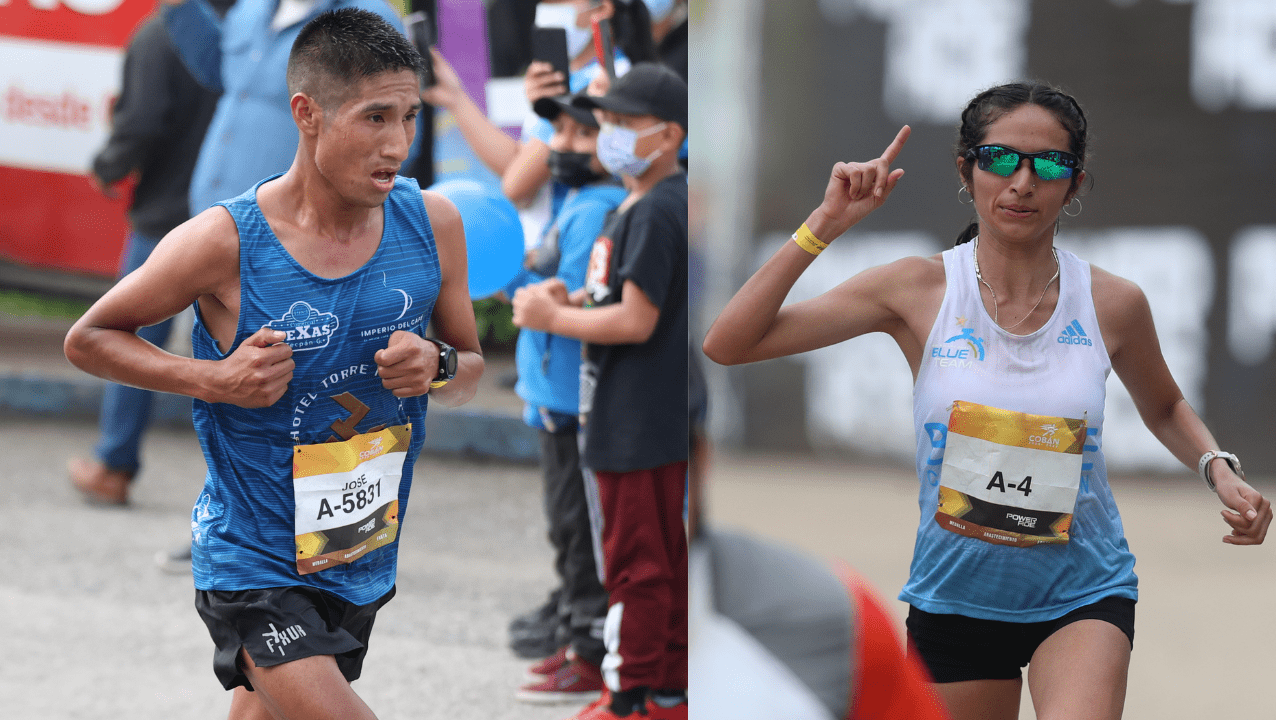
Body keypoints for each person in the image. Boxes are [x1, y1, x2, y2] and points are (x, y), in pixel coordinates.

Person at [702, 81, 1272, 720]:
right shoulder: (915, 289)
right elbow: (729, 343)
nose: (1022, 181)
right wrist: (824, 225)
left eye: (1048, 165)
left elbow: (1164, 407)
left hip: (1083, 591)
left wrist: (1217, 468)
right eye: (1000, 158)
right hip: (955, 599)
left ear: (1075, 184)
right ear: (966, 169)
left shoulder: (1114, 303)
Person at [64, 11, 483, 719]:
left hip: (355, 549)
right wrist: (211, 378)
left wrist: (437, 363)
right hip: (251, 559)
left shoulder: (432, 223)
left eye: (409, 117)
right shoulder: (224, 241)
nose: (398, 144)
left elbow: (468, 365)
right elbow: (90, 336)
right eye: (375, 117)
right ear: (307, 114)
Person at [512, 62, 688, 720]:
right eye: (603, 121)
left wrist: (553, 318)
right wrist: (574, 296)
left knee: (635, 566)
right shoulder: (640, 206)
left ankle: (630, 694)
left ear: (668, 136)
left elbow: (636, 320)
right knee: (657, 561)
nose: (606, 134)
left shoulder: (654, 209)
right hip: (636, 420)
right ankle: (668, 690)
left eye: (621, 124)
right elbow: (626, 297)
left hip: (634, 424)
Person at [68, 3, 229, 505]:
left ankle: (114, 465)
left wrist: (108, 166)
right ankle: (246, 492)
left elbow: (140, 122)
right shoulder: (253, 34)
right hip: (238, 219)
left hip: (168, 216)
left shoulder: (163, 33)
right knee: (247, 350)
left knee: (126, 338)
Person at [507, 91, 626, 704]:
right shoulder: (577, 202)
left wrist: (535, 298)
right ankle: (578, 635)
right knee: (567, 527)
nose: (565, 147)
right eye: (561, 134)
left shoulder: (598, 209)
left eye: (584, 135)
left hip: (574, 403)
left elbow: (579, 301)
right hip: (550, 399)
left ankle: (589, 647)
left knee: (582, 532)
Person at [160, 0, 419, 217]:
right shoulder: (252, 6)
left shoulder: (369, 19)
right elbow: (225, 73)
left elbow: (394, 136)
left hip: (290, 243)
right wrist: (181, 7)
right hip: (211, 216)